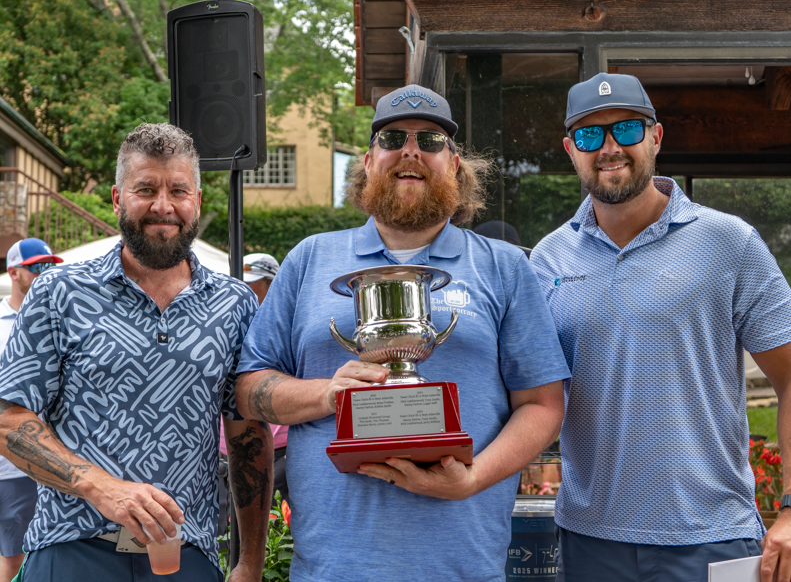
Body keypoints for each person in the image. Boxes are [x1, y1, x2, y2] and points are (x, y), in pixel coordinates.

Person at [233, 84, 571, 581]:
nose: (411, 151)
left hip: (462, 568)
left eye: (430, 141)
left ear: (455, 164)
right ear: (368, 161)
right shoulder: (309, 259)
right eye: (393, 138)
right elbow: (247, 391)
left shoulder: (503, 267)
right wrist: (327, 394)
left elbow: (543, 406)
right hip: (330, 569)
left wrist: (472, 478)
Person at [530, 72, 791, 582]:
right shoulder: (547, 259)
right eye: (590, 134)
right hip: (590, 542)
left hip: (711, 537)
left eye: (627, 129)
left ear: (656, 136)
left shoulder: (730, 242)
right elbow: (529, 394)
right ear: (570, 149)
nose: (610, 148)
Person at [0, 123, 271, 582]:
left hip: (187, 555)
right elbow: (8, 418)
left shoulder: (235, 303)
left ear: (197, 200)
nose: (163, 205)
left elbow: (247, 433)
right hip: (72, 549)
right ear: (117, 199)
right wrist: (100, 487)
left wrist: (250, 563)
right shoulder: (60, 291)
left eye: (178, 191)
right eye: (145, 189)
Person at [0, 238, 62, 582]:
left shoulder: (62, 319)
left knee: (43, 555)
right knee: (15, 557)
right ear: (13, 272)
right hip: (11, 465)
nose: (46, 273)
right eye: (37, 267)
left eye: (50, 265)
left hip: (55, 460)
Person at [219, 253, 289, 508]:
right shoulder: (227, 327)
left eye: (251, 284)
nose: (243, 291)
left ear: (272, 285)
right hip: (227, 452)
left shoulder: (285, 329)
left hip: (279, 450)